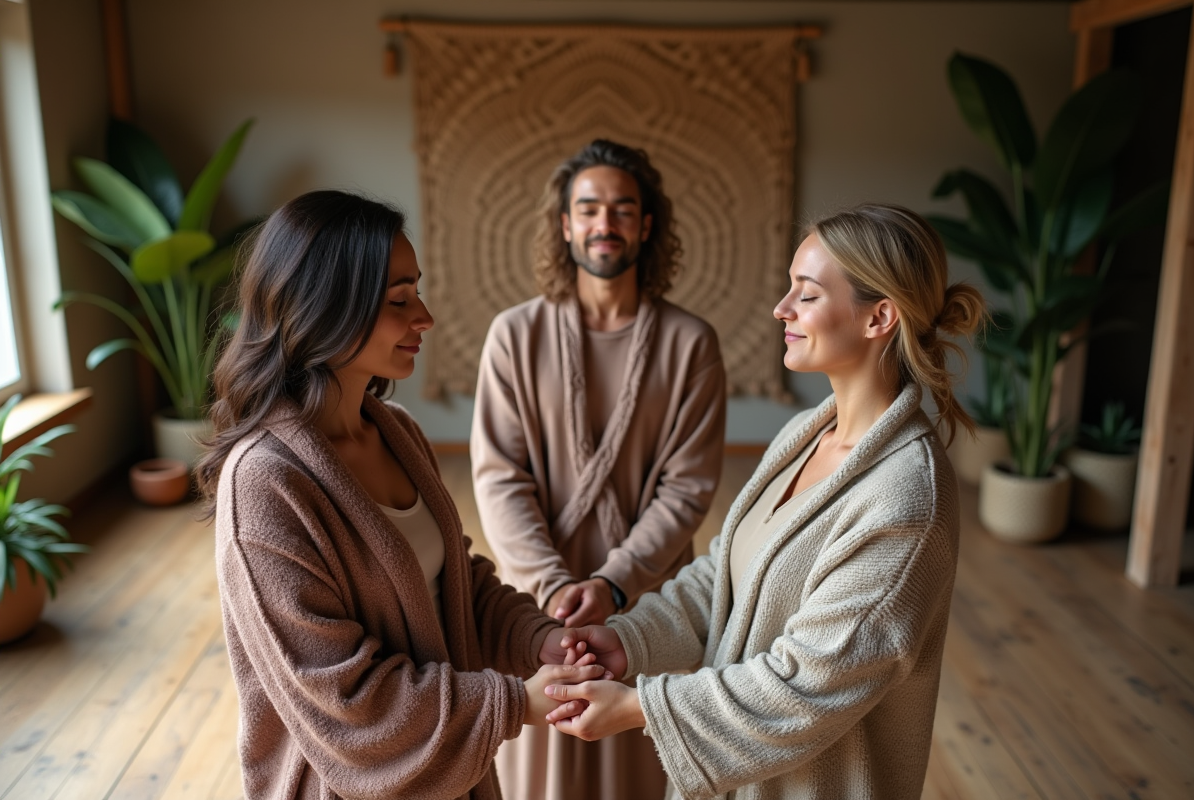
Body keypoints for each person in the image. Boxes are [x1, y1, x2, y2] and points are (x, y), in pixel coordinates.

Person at [544, 203, 988, 800]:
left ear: (879, 316)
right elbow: (725, 574)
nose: (782, 308)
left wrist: (640, 707)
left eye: (807, 294)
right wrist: (629, 640)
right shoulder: (804, 434)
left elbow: (808, 684)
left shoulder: (906, 498)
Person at [197, 190, 609, 800]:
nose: (425, 317)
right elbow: (344, 698)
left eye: (416, 292)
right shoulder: (264, 484)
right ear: (325, 306)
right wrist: (516, 702)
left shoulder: (398, 433)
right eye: (399, 300)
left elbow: (455, 582)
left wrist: (538, 638)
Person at [470, 140, 727, 800]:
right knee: (544, 769)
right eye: (588, 209)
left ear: (646, 225)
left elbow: (687, 488)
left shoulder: (691, 344)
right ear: (565, 225)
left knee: (639, 770)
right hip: (540, 607)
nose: (604, 223)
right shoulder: (514, 336)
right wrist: (554, 589)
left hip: (646, 605)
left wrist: (614, 586)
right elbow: (499, 478)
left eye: (622, 209)